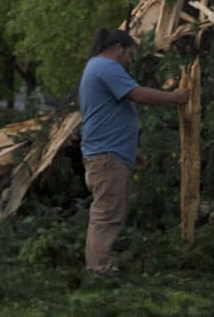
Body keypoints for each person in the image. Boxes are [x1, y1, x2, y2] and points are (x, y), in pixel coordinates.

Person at [77, 28, 188, 274]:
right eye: (129, 54)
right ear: (117, 47)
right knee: (106, 216)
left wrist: (131, 149)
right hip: (107, 158)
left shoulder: (96, 68)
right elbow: (137, 94)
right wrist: (174, 97)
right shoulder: (106, 67)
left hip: (108, 154)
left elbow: (109, 115)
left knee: (111, 212)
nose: (129, 61)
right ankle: (99, 269)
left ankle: (101, 264)